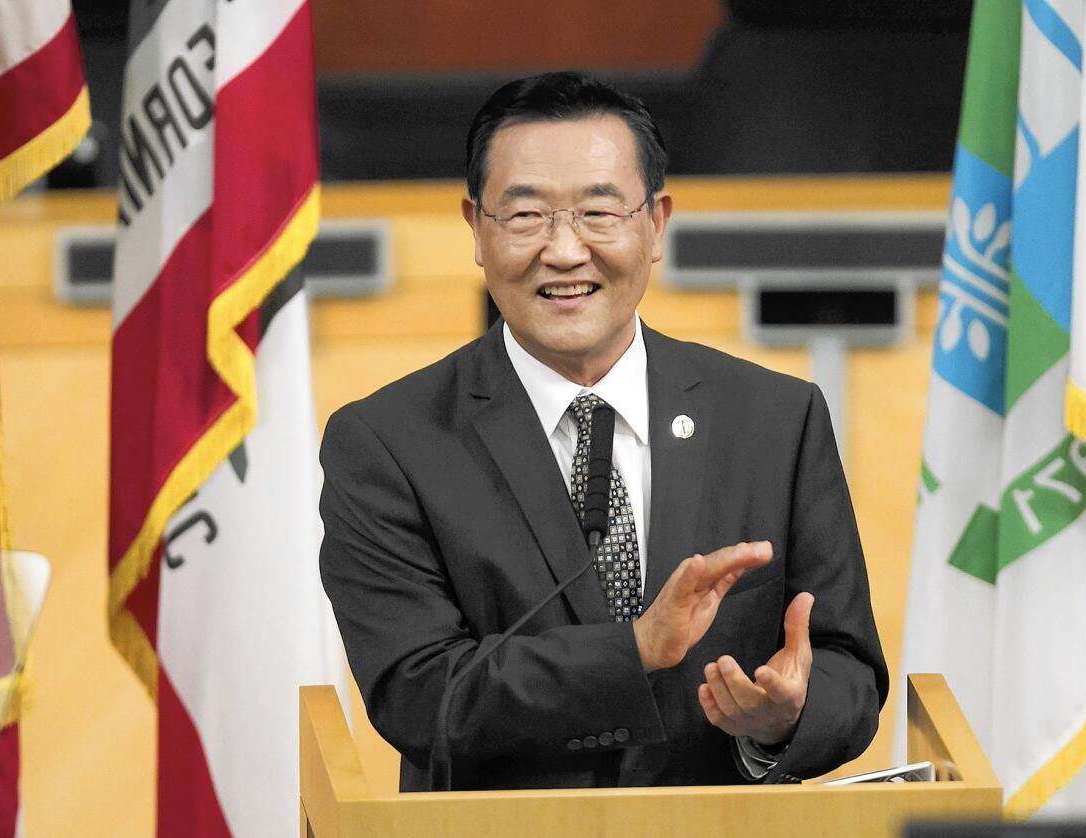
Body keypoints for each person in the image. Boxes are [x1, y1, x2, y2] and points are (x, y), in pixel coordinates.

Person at [319, 71, 887, 792]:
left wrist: (782, 719)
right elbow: (418, 694)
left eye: (598, 212)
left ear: (656, 224)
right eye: (526, 216)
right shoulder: (389, 443)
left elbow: (849, 668)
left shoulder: (776, 419)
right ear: (475, 228)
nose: (564, 252)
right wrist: (632, 651)